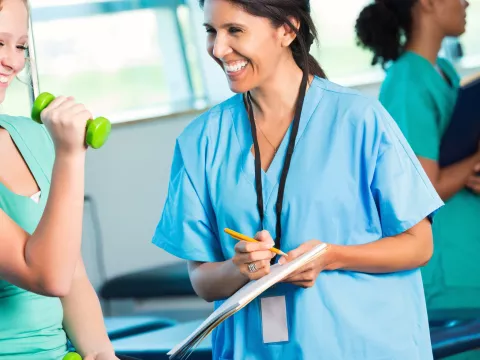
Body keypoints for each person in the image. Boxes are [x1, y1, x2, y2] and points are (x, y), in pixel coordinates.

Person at [152, 0, 444, 358]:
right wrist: (239, 267)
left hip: (365, 346)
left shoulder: (358, 120)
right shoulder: (201, 141)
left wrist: (331, 256)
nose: (218, 48)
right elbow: (202, 280)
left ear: (287, 30)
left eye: (235, 31)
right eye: (211, 31)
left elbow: (418, 244)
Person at [0, 1, 139, 359]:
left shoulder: (31, 135)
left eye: (20, 46)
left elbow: (72, 276)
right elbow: (48, 275)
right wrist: (71, 155)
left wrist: (101, 355)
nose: (13, 62)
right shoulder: (58, 147)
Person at [355, 0, 480, 319]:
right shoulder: (407, 81)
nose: (466, 2)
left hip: (466, 259)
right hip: (446, 276)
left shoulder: (444, 72)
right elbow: (422, 192)